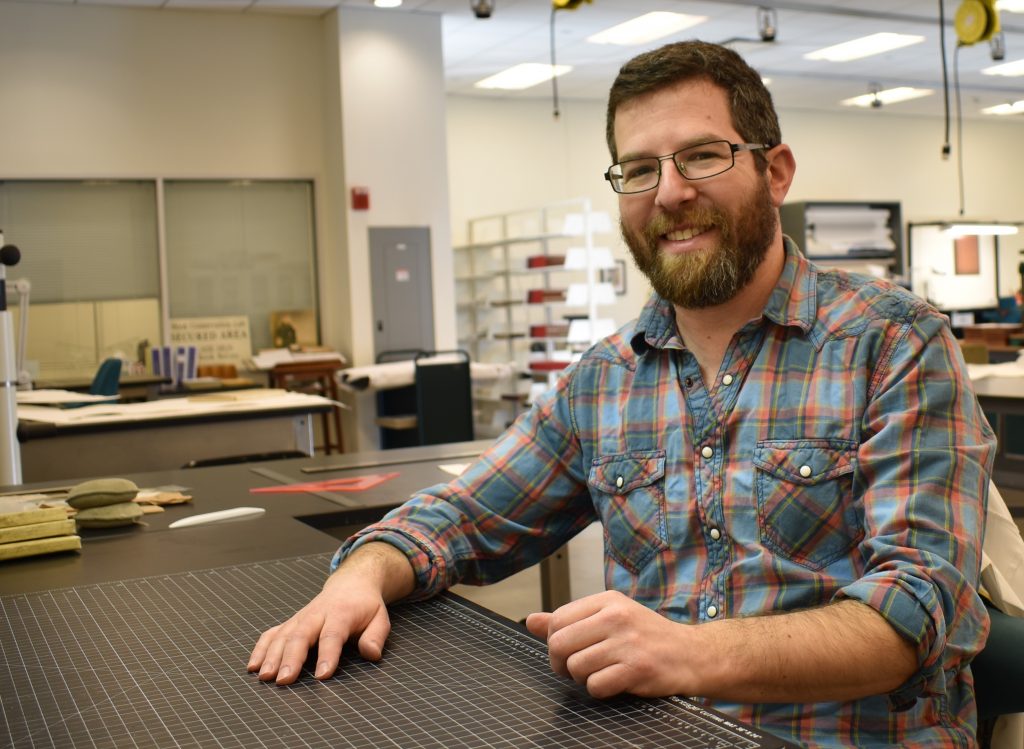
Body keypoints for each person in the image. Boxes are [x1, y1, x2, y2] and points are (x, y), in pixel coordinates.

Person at [249, 41, 996, 747]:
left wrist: (687, 653)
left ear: (775, 171)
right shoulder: (604, 382)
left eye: (702, 155)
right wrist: (362, 572)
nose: (670, 192)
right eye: (638, 169)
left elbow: (915, 611)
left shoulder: (895, 344)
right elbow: (458, 518)